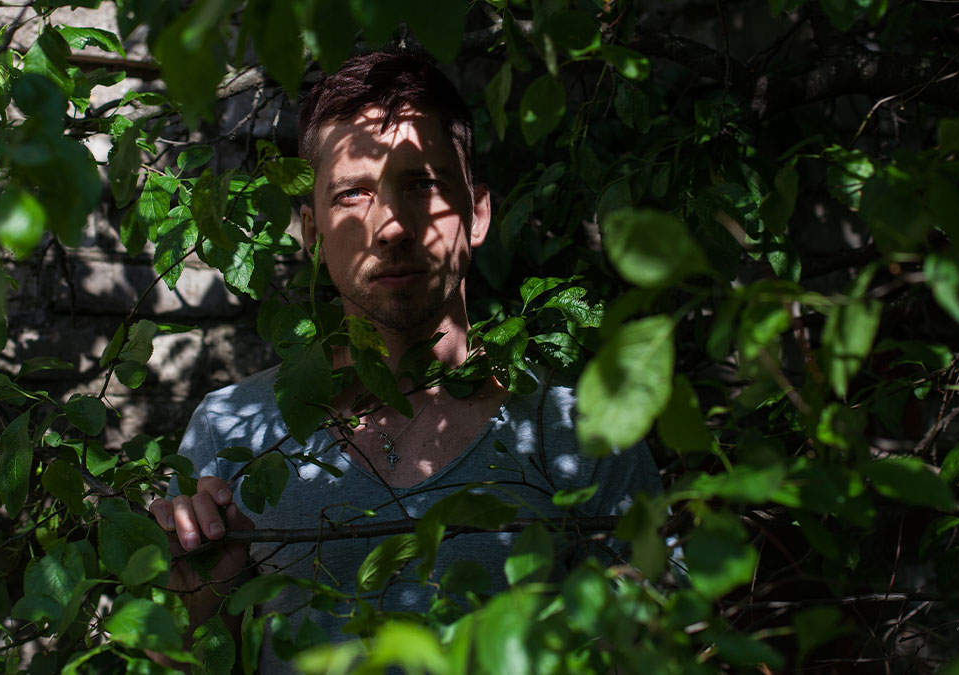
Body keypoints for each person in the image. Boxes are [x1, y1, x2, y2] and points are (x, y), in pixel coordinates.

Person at [148, 51, 659, 672]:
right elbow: (179, 658)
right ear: (310, 233)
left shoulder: (578, 432)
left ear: (478, 213)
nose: (390, 225)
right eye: (353, 193)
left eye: (422, 184)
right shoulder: (230, 433)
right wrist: (201, 599)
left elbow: (653, 651)